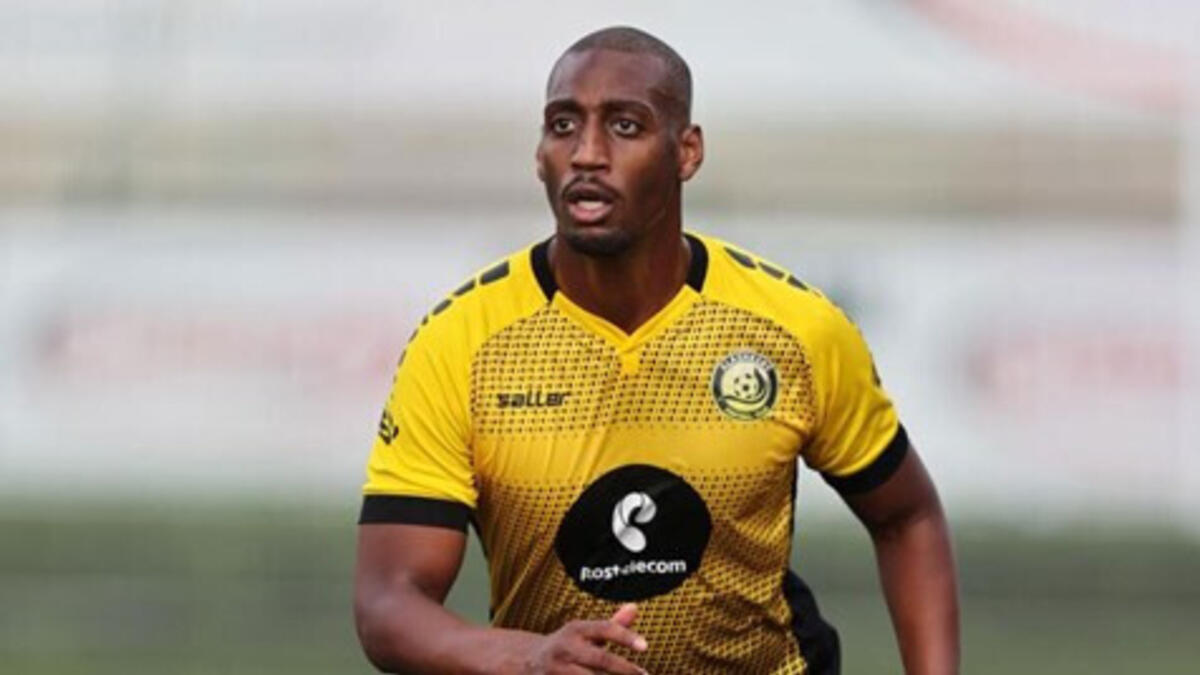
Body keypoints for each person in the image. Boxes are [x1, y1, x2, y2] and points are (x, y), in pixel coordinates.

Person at [354, 26, 959, 675]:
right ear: (539, 154)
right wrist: (528, 657)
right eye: (563, 125)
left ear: (686, 151)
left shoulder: (794, 328)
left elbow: (906, 516)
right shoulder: (460, 342)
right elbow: (389, 602)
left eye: (625, 126)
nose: (587, 153)